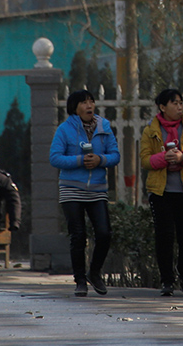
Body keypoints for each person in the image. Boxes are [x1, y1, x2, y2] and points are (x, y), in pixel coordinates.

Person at [49, 89, 120, 296]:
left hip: (97, 188)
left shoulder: (104, 127)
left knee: (104, 233)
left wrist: (100, 160)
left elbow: (115, 155)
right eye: (84, 102)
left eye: (91, 101)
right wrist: (80, 160)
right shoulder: (65, 129)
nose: (89, 105)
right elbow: (55, 158)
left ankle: (94, 272)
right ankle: (80, 280)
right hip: (71, 188)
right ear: (74, 108)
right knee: (78, 235)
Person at [140, 87, 183, 297]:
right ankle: (167, 280)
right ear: (162, 107)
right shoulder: (151, 130)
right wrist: (163, 159)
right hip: (161, 191)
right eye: (174, 103)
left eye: (180, 102)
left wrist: (182, 158)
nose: (178, 107)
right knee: (164, 236)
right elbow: (145, 160)